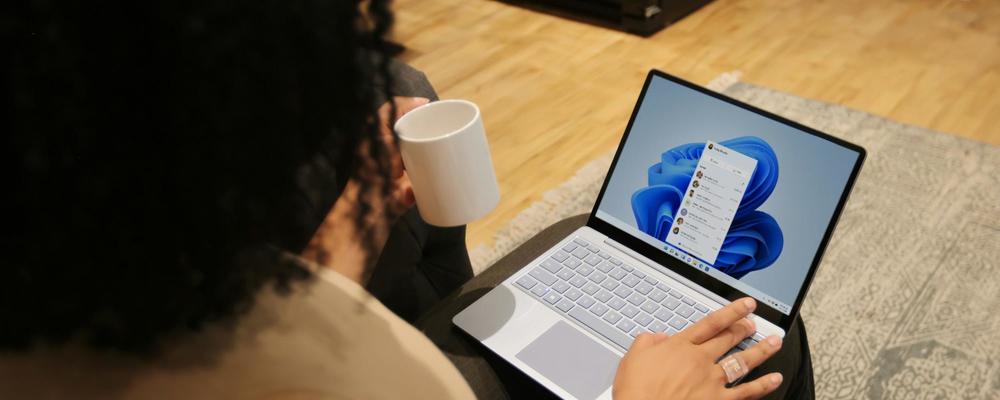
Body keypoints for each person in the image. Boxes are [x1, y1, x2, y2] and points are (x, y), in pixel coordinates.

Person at [3, 1, 806, 399]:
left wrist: (349, 228)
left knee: (403, 94)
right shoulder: (361, 381)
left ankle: (453, 304)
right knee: (772, 336)